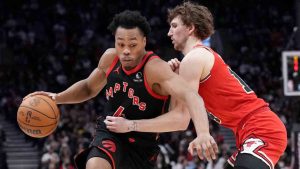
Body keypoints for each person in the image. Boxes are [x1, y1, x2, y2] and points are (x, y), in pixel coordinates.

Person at [25, 10, 218, 169]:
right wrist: (57, 97)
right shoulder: (110, 58)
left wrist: (203, 133)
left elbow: (191, 99)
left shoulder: (155, 69)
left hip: (143, 145)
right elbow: (88, 87)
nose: (126, 50)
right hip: (110, 133)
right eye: (121, 44)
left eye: (132, 45)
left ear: (143, 42)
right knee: (95, 166)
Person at [106, 2, 287, 169]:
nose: (169, 33)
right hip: (247, 131)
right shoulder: (193, 61)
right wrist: (170, 84)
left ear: (191, 28)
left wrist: (130, 125)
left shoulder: (194, 58)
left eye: (174, 26)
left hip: (261, 128)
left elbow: (181, 119)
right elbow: (175, 117)